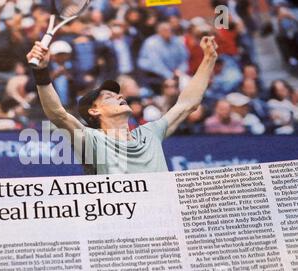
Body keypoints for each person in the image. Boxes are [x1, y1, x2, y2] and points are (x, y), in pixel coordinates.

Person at [26, 36, 219, 174]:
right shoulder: (91, 139)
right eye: (109, 97)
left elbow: (187, 104)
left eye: (118, 94)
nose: (119, 97)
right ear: (94, 110)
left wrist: (208, 60)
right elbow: (58, 114)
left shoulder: (149, 133)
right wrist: (42, 71)